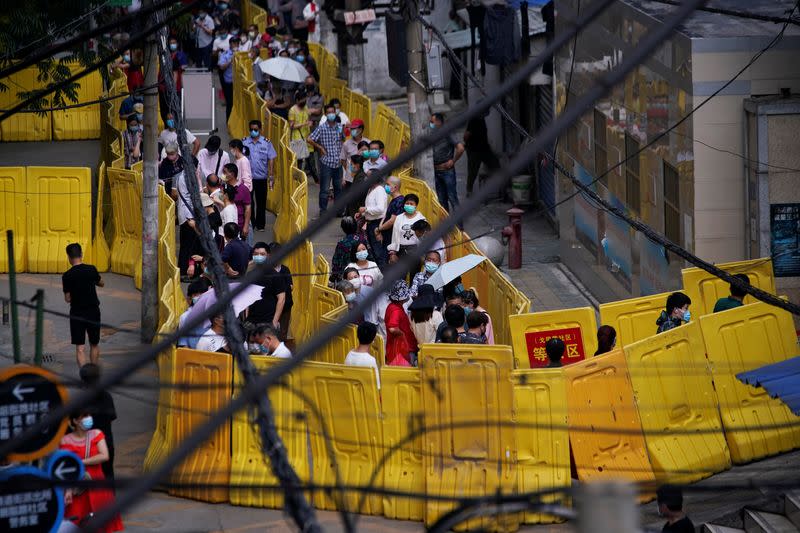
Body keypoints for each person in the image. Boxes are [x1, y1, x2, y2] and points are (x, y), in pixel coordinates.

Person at [59, 410, 124, 532]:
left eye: (89, 415)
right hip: (77, 489)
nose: (89, 418)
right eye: (84, 416)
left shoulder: (96, 434)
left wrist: (80, 462)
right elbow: (65, 468)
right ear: (75, 421)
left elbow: (104, 456)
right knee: (76, 523)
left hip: (98, 485)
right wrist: (67, 490)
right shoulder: (65, 441)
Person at [63, 243, 104, 368]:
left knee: (80, 348)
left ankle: (85, 377)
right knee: (94, 344)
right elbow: (101, 283)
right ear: (81, 254)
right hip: (93, 311)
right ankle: (94, 373)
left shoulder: (67, 275)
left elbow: (67, 299)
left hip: (77, 313)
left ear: (69, 257)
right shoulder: (91, 269)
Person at [78, 364, 117, 483]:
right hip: (106, 443)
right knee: (108, 474)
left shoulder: (80, 400)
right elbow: (112, 417)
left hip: (87, 447)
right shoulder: (106, 396)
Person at [249, 243, 293, 340]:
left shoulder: (280, 272)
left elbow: (284, 296)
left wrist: (274, 321)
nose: (258, 256)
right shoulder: (253, 273)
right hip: (258, 317)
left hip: (277, 313)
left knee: (278, 337)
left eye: (262, 254)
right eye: (256, 254)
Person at [308, 102, 345, 214]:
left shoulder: (339, 127)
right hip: (326, 163)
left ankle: (338, 210)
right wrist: (320, 148)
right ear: (325, 114)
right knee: (324, 189)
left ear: (335, 113)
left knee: (338, 188)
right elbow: (309, 139)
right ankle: (323, 210)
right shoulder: (321, 128)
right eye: (328, 113)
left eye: (332, 112)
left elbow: (343, 140)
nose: (331, 114)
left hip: (338, 163)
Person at [243, 119, 278, 230]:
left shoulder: (266, 143)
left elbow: (271, 159)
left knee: (261, 202)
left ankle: (260, 224)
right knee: (249, 202)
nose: (253, 131)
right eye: (251, 129)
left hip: (262, 178)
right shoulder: (244, 142)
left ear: (260, 130)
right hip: (248, 178)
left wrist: (271, 175)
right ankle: (251, 223)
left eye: (256, 129)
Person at [430, 112, 465, 214]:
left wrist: (453, 161)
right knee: (441, 201)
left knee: (452, 198)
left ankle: (460, 228)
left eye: (432, 122)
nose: (430, 124)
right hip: (436, 172)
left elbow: (460, 148)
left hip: (447, 172)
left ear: (439, 122)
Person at [464, 112, 499, 197]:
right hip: (474, 150)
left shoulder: (481, 119)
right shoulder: (474, 120)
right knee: (473, 171)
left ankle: (498, 187)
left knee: (495, 165)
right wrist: (470, 145)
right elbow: (466, 135)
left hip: (484, 149)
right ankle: (469, 190)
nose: (489, 112)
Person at [387, 194, 426, 271]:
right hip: (401, 251)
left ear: (416, 205)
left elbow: (425, 237)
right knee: (400, 277)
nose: (409, 205)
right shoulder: (399, 218)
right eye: (407, 203)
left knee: (414, 276)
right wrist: (393, 253)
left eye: (411, 204)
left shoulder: (421, 219)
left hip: (416, 251)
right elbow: (394, 236)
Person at [385, 280, 417, 367]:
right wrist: (402, 334)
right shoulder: (396, 310)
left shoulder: (392, 307)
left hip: (399, 349)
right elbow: (392, 328)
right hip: (401, 350)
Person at [374, 176, 404, 267]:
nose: (385, 186)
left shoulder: (399, 201)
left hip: (392, 240)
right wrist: (380, 228)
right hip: (386, 238)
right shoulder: (393, 200)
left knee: (387, 265)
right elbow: (386, 215)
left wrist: (379, 229)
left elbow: (392, 221)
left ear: (395, 187)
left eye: (387, 184)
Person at [289, 91, 316, 184]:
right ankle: (297, 181)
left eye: (305, 99)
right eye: (302, 100)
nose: (304, 101)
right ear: (297, 100)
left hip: (307, 137)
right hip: (297, 138)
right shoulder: (292, 110)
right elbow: (291, 126)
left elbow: (308, 119)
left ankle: (316, 180)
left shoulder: (305, 108)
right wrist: (304, 124)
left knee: (310, 160)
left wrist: (309, 123)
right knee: (299, 161)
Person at [221, 163, 252, 244]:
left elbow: (248, 208)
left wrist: (246, 226)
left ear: (232, 174)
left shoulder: (243, 189)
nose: (223, 174)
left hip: (240, 224)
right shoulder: (223, 188)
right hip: (227, 223)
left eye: (225, 172)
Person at [361, 176, 388, 266]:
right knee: (373, 249)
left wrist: (366, 209)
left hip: (376, 223)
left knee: (378, 251)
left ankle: (383, 272)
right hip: (370, 223)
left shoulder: (379, 190)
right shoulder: (371, 189)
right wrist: (363, 214)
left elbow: (380, 209)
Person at [345, 322, 381, 389]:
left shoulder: (349, 355)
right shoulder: (370, 360)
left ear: (357, 336)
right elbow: (377, 386)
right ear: (373, 340)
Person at [330, 216, 365, 284]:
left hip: (346, 275)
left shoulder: (342, 243)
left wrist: (334, 275)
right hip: (363, 271)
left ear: (343, 228)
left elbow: (336, 262)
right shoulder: (362, 239)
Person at [178, 281, 210, 349]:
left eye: (202, 293)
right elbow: (183, 344)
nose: (200, 296)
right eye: (195, 294)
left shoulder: (215, 314)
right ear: (190, 298)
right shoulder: (185, 317)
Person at [341, 118, 369, 185]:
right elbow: (343, 161)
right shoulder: (346, 144)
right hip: (350, 179)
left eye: (354, 129)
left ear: (361, 129)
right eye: (351, 129)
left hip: (364, 179)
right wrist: (350, 169)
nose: (351, 130)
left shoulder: (368, 142)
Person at [217, 36, 239, 119]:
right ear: (230, 44)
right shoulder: (225, 54)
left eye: (237, 43)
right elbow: (221, 67)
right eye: (234, 43)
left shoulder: (241, 53)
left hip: (239, 83)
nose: (235, 45)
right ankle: (229, 121)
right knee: (230, 102)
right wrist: (230, 60)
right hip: (229, 82)